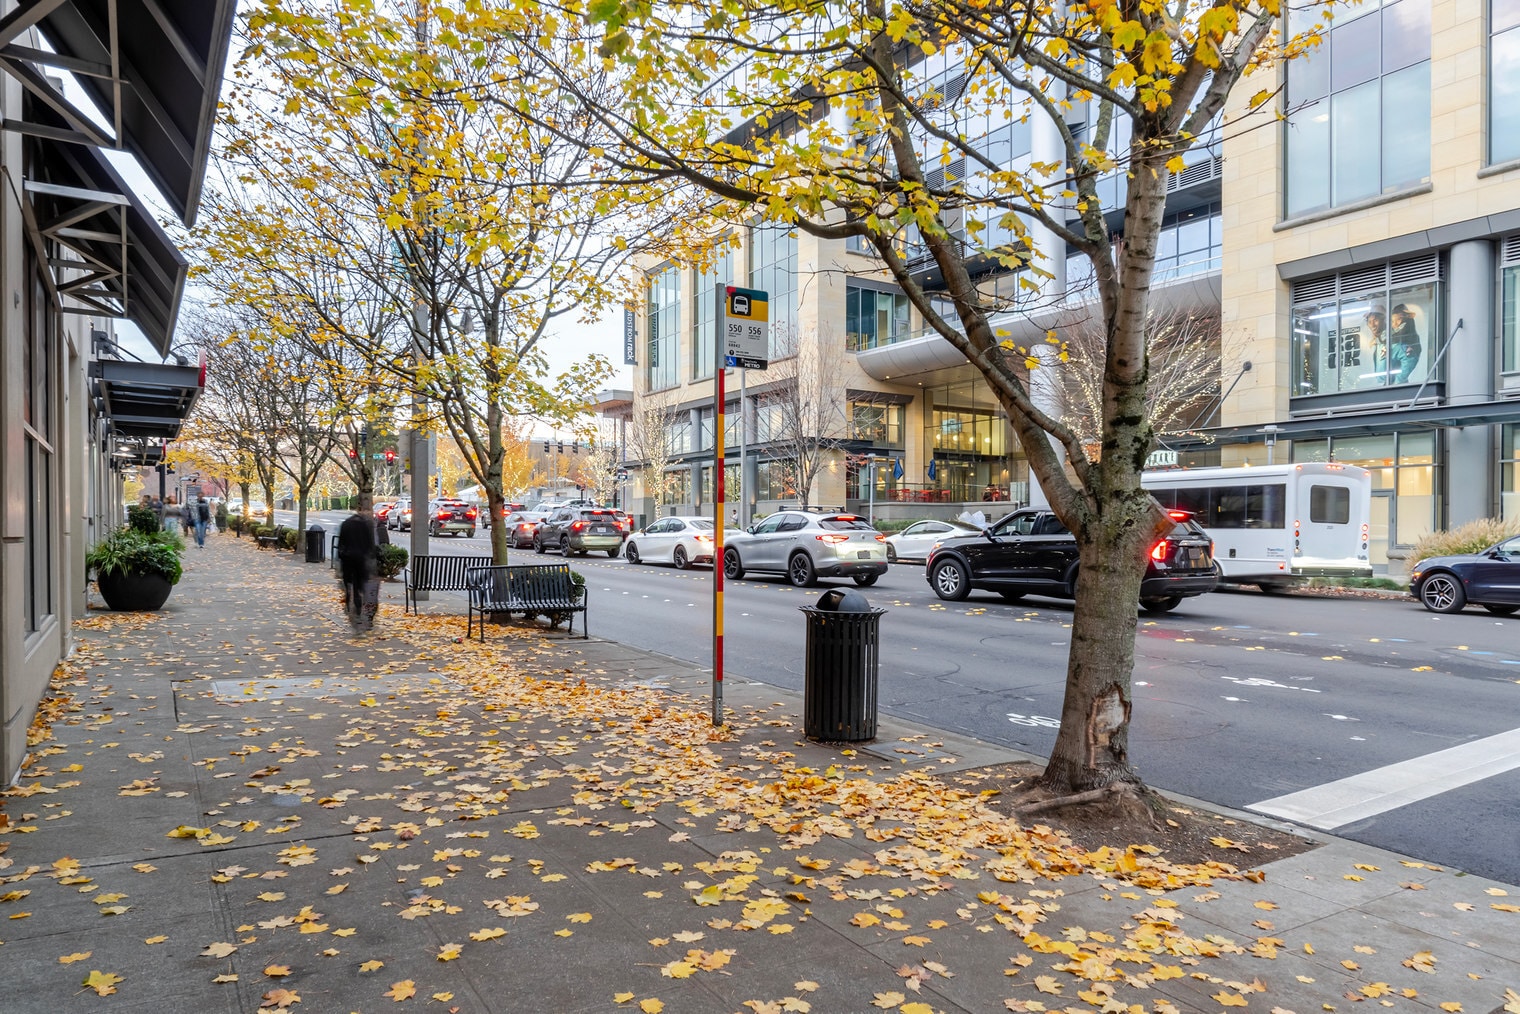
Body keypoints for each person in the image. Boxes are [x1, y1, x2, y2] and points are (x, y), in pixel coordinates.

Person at [337, 508, 388, 631]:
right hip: (361, 560)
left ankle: (353, 602)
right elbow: (370, 545)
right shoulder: (366, 525)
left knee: (351, 584)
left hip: (348, 559)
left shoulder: (346, 524)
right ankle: (363, 610)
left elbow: (340, 544)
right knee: (361, 586)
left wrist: (340, 559)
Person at [1390, 303, 1422, 384]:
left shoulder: (1408, 329)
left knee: (1400, 379)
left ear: (1406, 318)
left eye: (1398, 319)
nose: (1395, 324)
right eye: (1392, 321)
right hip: (1401, 361)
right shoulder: (1393, 334)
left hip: (1408, 356)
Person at [1362, 307, 1389, 383]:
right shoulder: (1374, 343)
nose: (1372, 325)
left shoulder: (1390, 337)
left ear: (1384, 320)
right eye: (1369, 322)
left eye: (1376, 320)